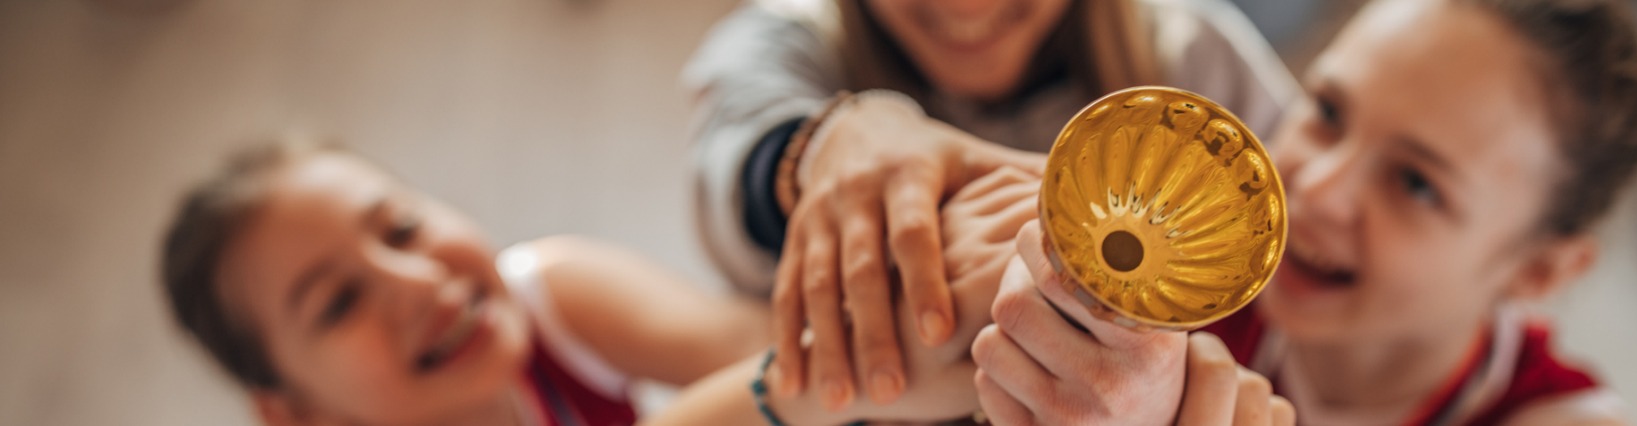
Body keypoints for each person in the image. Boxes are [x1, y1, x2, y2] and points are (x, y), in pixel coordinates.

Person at [971, 0, 1637, 424]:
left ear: (1539, 270)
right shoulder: (1178, 276)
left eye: (1417, 184)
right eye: (1328, 111)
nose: (1318, 191)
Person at [684, 0, 1299, 409]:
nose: (966, 4)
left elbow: (1308, 223)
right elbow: (736, 176)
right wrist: (822, 147)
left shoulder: (1195, 54)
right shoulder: (784, 40)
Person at [160, 138, 770, 425]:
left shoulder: (550, 294)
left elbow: (786, 348)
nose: (419, 283)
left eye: (400, 229)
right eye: (340, 302)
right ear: (295, 415)